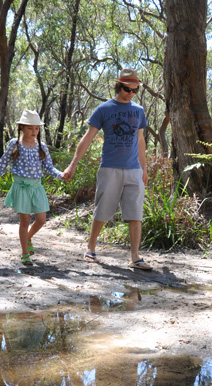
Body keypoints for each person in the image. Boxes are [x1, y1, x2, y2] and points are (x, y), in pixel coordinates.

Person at [62, 68, 151, 271]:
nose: (131, 94)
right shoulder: (104, 109)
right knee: (102, 209)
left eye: (135, 90)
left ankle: (135, 257)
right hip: (110, 168)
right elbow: (87, 138)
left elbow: (140, 141)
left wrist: (143, 169)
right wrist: (72, 164)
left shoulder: (138, 111)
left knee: (135, 213)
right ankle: (91, 248)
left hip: (134, 170)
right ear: (119, 86)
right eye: (128, 89)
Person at [0, 110, 65, 266]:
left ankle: (28, 238)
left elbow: (49, 168)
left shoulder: (41, 146)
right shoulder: (14, 144)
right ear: (21, 127)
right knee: (25, 220)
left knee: (41, 219)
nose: (34, 131)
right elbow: (2, 164)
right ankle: (25, 253)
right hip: (21, 187)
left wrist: (61, 175)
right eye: (30, 128)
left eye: (37, 128)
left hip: (37, 187)